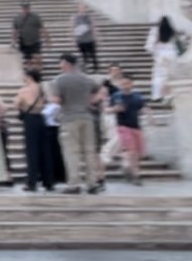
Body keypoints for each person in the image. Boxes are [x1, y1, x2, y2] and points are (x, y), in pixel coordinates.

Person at [53, 53, 104, 194]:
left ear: (66, 63)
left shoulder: (59, 80)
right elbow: (100, 91)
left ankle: (74, 183)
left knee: (71, 152)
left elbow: (56, 100)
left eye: (61, 63)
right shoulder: (87, 79)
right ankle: (92, 183)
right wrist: (91, 101)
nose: (60, 65)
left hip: (69, 118)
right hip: (87, 117)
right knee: (89, 151)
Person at [15, 69, 57, 192]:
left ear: (29, 77)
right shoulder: (42, 88)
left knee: (32, 150)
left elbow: (16, 104)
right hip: (41, 118)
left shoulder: (24, 90)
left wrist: (24, 106)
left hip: (30, 119)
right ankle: (48, 181)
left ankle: (32, 182)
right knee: (45, 150)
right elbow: (48, 102)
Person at [110, 73, 147, 186]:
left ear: (131, 84)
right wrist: (115, 109)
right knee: (131, 151)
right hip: (123, 126)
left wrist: (148, 114)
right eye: (123, 83)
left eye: (127, 83)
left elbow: (143, 107)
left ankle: (126, 166)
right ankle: (136, 175)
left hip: (135, 126)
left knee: (138, 153)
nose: (125, 85)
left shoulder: (137, 96)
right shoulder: (116, 96)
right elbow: (108, 109)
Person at [145, 15, 181, 103]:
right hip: (171, 55)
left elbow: (149, 47)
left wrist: (155, 50)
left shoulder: (155, 31)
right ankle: (169, 95)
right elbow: (176, 44)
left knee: (159, 76)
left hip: (160, 56)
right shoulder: (172, 31)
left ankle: (158, 94)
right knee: (169, 77)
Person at [12, 2, 49, 70]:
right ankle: (30, 70)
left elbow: (42, 28)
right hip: (24, 41)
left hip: (35, 39)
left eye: (27, 8)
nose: (25, 9)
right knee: (27, 57)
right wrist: (14, 41)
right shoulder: (17, 18)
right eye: (24, 8)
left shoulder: (35, 17)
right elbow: (15, 30)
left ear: (29, 8)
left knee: (37, 55)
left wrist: (47, 39)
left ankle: (39, 68)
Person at [72, 4, 99, 73]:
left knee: (93, 54)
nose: (82, 9)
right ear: (78, 9)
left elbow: (93, 26)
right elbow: (73, 27)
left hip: (89, 39)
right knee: (84, 55)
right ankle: (85, 68)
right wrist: (73, 38)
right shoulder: (75, 18)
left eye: (83, 8)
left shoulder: (89, 17)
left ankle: (95, 68)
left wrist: (96, 36)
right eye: (80, 8)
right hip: (81, 39)